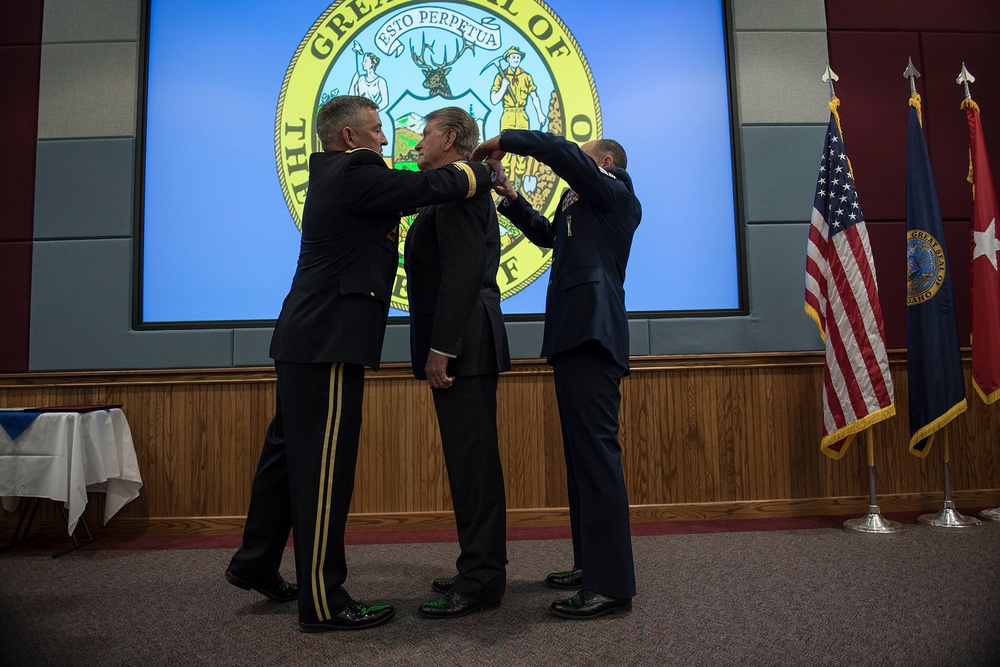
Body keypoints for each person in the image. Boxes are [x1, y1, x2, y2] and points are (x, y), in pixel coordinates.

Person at [225, 95, 503, 633]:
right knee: (324, 472)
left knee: (286, 458)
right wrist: (478, 173)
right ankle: (325, 602)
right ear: (350, 138)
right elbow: (428, 187)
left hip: (306, 339)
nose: (388, 138)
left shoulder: (335, 172)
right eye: (377, 129)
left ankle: (255, 561)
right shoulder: (355, 169)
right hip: (329, 341)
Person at [471, 130, 641, 620]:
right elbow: (549, 238)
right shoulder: (582, 207)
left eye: (586, 160)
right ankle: (591, 565)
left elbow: (565, 156)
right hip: (572, 335)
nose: (575, 169)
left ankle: (611, 586)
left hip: (593, 334)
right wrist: (512, 197)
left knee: (597, 458)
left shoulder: (617, 193)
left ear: (604, 162)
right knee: (581, 458)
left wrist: (509, 140)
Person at [402, 107, 511, 619]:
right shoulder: (451, 188)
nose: (416, 142)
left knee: (474, 465)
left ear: (449, 139)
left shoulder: (465, 185)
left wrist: (443, 345)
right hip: (460, 342)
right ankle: (478, 565)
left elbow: (466, 270)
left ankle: (483, 579)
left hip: (464, 344)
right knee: (468, 463)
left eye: (424, 134)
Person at [489, 47, 547, 189]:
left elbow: (534, 96)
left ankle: (518, 185)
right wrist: (503, 86)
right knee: (504, 149)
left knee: (522, 150)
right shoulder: (500, 77)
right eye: (513, 57)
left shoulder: (526, 77)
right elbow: (494, 99)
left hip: (522, 115)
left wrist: (540, 113)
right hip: (508, 114)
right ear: (508, 59)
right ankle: (502, 183)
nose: (516, 60)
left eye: (518, 58)